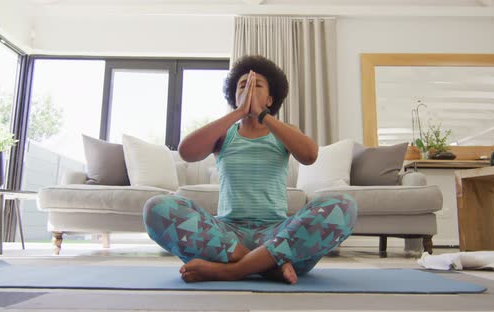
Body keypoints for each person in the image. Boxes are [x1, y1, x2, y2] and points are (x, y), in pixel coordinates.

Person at [143, 55, 357, 284]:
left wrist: (262, 115)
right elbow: (187, 151)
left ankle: (230, 271)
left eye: (257, 85)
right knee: (157, 207)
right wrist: (239, 112)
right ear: (235, 96)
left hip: (277, 235)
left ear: (270, 98)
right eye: (243, 85)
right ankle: (268, 266)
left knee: (344, 206)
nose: (249, 88)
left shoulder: (282, 132)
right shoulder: (225, 134)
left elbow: (310, 155)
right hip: (227, 237)